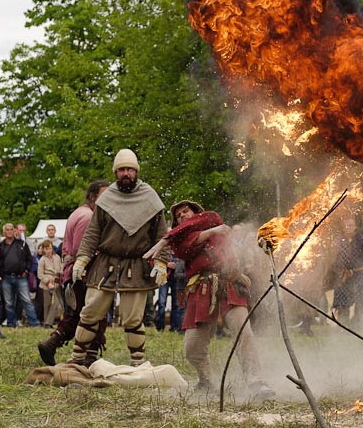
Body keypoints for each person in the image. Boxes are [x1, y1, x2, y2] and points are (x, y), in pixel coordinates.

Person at [146, 200, 273, 396]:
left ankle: (256, 382)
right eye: (178, 216)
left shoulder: (211, 218)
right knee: (192, 347)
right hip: (201, 289)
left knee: (243, 334)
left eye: (185, 211)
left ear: (196, 211)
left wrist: (171, 236)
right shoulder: (181, 242)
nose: (182, 216)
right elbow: (185, 248)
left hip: (229, 283)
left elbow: (209, 219)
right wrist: (210, 233)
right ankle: (207, 382)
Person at [68, 149, 167, 367]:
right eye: (122, 169)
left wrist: (161, 263)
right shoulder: (107, 199)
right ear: (116, 172)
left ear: (136, 171)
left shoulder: (150, 197)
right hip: (106, 263)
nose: (126, 173)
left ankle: (137, 363)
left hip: (136, 264)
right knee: (90, 312)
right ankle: (76, 359)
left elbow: (161, 235)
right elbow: (92, 232)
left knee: (132, 318)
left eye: (130, 169)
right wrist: (82, 258)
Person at [37, 179, 109, 366]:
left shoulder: (80, 212)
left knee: (78, 316)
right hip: (83, 273)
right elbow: (81, 249)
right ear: (93, 196)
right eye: (104, 195)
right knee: (93, 315)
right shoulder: (87, 217)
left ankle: (52, 344)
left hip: (78, 272)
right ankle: (88, 357)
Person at [332, 216, 363, 328]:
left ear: (355, 226)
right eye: (346, 225)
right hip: (343, 276)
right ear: (343, 227)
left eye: (351, 225)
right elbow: (332, 258)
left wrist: (358, 268)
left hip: (360, 275)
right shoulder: (338, 240)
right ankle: (343, 329)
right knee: (342, 305)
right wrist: (341, 271)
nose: (348, 227)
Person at [0, 223, 40, 328]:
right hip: (6, 277)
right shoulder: (0, 246)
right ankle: (11, 323)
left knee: (27, 301)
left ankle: (34, 322)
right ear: (4, 232)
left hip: (21, 277)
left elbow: (30, 259)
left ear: (14, 231)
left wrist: (27, 271)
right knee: (8, 302)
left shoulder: (22, 244)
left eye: (11, 229)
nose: (9, 231)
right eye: (7, 229)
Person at [37, 239, 62, 328]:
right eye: (46, 249)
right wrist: (47, 282)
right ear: (43, 249)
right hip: (46, 283)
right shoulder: (42, 260)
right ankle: (46, 322)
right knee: (47, 304)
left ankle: (49, 322)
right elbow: (40, 274)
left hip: (56, 282)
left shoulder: (57, 257)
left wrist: (59, 279)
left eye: (50, 248)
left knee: (55, 303)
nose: (48, 250)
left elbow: (60, 269)